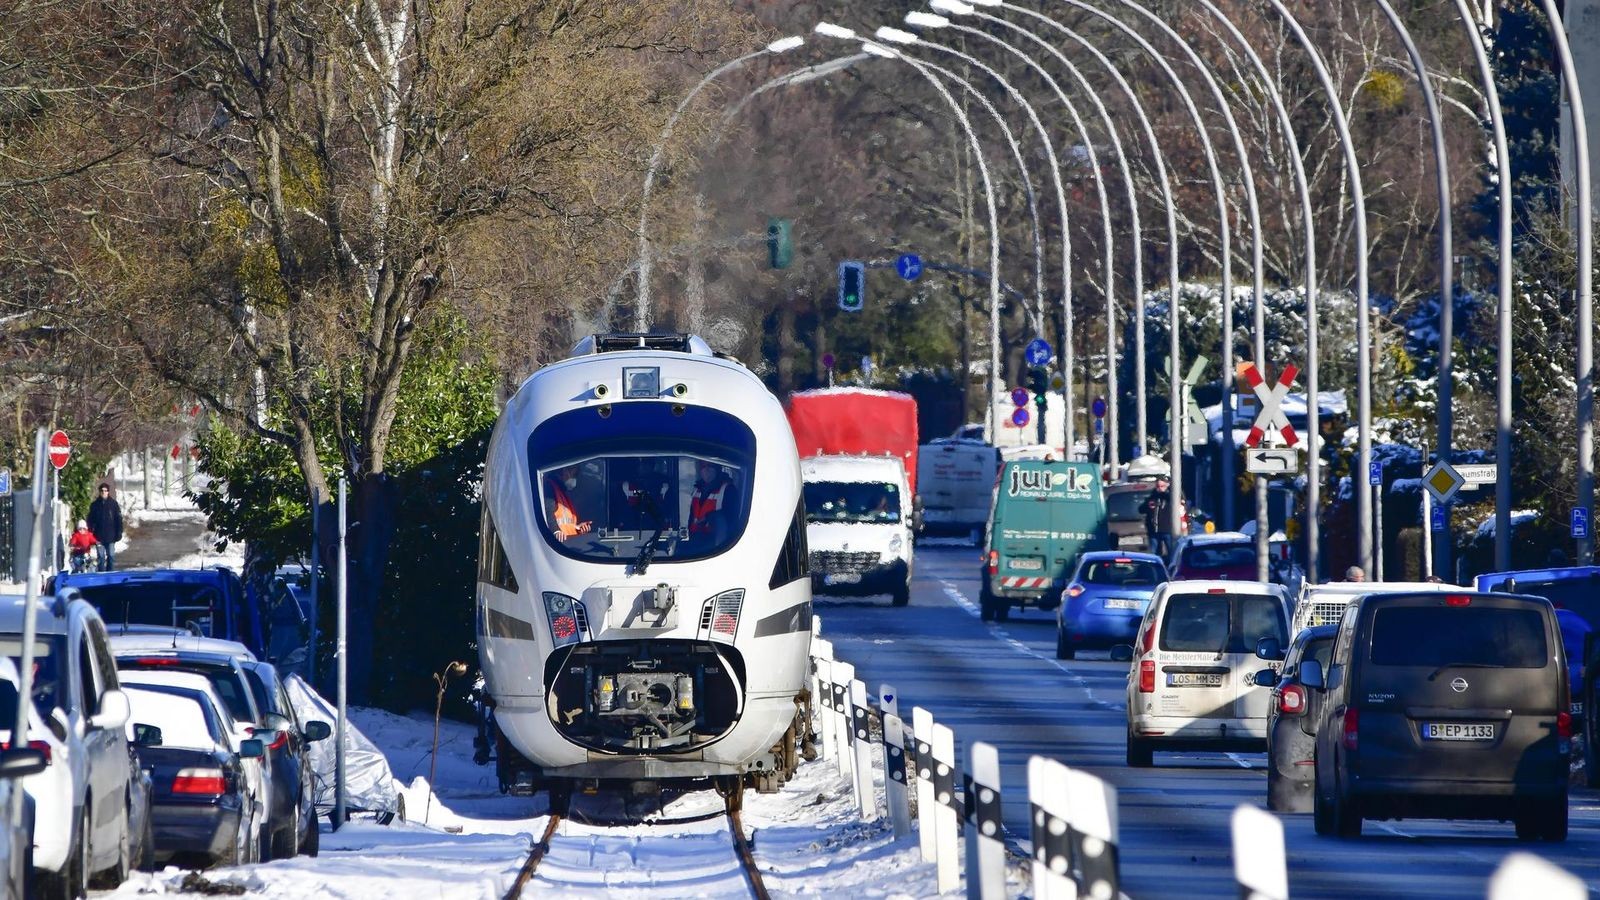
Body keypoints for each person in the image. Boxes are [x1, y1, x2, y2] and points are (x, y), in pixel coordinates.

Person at [545, 464, 593, 541]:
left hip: (570, 542)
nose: (574, 478)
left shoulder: (562, 494)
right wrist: (555, 531)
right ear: (565, 470)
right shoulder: (549, 487)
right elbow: (548, 512)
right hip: (559, 543)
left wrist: (577, 528)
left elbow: (565, 523)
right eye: (574, 474)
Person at [689, 462, 733, 541]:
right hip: (695, 539)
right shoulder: (697, 489)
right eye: (703, 466)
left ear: (717, 468)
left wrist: (708, 517)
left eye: (710, 466)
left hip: (717, 541)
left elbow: (730, 515)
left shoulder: (728, 489)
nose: (706, 469)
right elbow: (691, 516)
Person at [87, 483, 123, 571]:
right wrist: (90, 532)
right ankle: (102, 574)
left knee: (111, 556)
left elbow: (118, 519)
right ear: (99, 492)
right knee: (101, 557)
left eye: (105, 491)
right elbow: (90, 520)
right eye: (102, 491)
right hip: (98, 536)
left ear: (108, 492)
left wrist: (119, 532)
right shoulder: (95, 505)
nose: (104, 492)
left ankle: (110, 573)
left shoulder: (113, 504)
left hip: (111, 536)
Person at [1141, 478, 1174, 558]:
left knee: (1171, 552)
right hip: (1153, 530)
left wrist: (1164, 493)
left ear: (1166, 486)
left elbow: (1172, 499)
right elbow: (1141, 509)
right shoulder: (1152, 497)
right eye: (1157, 486)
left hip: (1167, 529)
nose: (1159, 488)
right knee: (1153, 553)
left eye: (1162, 486)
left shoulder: (1170, 497)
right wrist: (1148, 505)